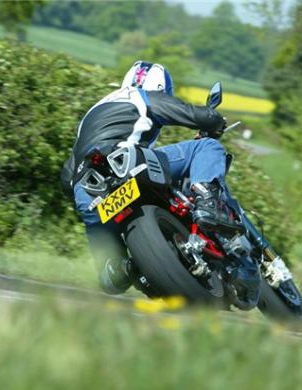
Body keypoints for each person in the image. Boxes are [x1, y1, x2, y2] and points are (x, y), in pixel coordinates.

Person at [62, 60, 240, 294]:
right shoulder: (141, 95)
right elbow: (194, 115)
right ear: (160, 88)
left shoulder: (90, 114)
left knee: (110, 273)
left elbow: (67, 178)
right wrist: (215, 121)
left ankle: (125, 269)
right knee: (205, 147)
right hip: (125, 162)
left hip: (87, 191)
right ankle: (207, 200)